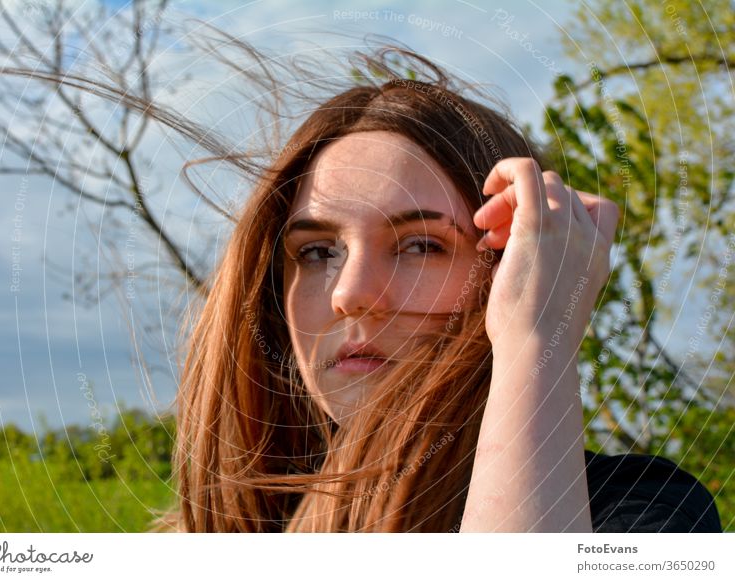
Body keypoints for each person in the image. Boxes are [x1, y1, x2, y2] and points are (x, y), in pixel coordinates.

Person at [148, 45, 720, 533]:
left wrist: (535, 337)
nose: (351, 294)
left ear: (509, 271)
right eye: (317, 252)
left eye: (421, 245)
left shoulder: (634, 513)